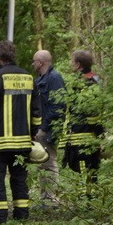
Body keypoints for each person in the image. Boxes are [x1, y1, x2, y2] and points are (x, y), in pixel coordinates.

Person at [0, 40, 41, 224]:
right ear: (15, 55)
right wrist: (33, 132)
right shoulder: (29, 78)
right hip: (22, 141)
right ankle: (22, 215)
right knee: (19, 179)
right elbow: (37, 112)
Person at [62, 49, 103, 198]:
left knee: (82, 170)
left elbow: (88, 113)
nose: (70, 64)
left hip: (80, 136)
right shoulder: (96, 81)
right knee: (92, 170)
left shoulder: (80, 84)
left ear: (78, 65)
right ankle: (92, 199)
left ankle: (85, 201)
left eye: (72, 61)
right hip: (90, 136)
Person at [31, 50, 65, 208]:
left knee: (49, 162)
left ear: (41, 62)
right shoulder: (41, 79)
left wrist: (43, 128)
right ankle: (45, 197)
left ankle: (50, 199)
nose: (33, 64)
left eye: (34, 61)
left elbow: (57, 106)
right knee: (43, 163)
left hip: (49, 129)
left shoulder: (54, 78)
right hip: (43, 127)